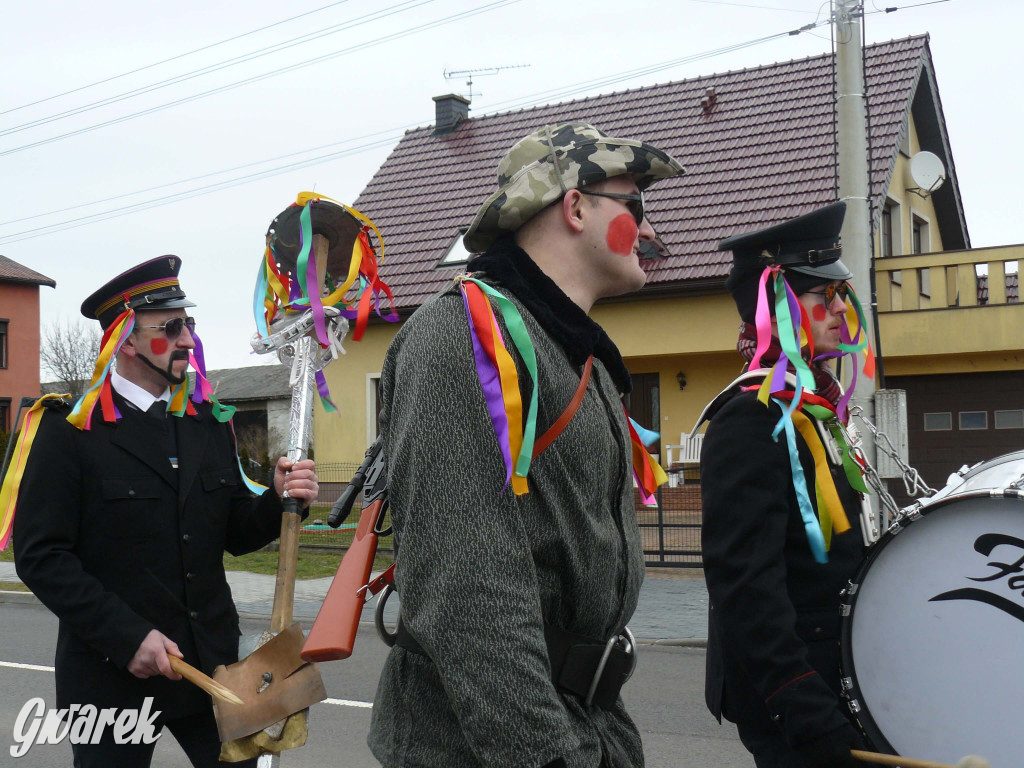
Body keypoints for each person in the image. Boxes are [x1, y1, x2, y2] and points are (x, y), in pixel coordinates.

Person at [367, 122, 684, 767]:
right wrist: (548, 757)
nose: (651, 234)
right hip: (492, 748)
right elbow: (468, 590)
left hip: (586, 720)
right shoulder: (466, 337)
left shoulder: (571, 352)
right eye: (636, 207)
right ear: (574, 207)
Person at [11, 256, 319, 768]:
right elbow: (42, 557)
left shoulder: (207, 422)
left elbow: (235, 532)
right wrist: (128, 638)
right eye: (171, 327)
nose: (188, 340)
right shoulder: (69, 433)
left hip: (212, 671)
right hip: (113, 677)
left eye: (190, 323)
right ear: (126, 340)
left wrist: (277, 498)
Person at [697, 202, 874, 768]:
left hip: (834, 675)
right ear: (780, 306)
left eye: (842, 296)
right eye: (826, 298)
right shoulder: (749, 417)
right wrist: (804, 710)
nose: (841, 311)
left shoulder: (814, 405)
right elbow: (744, 583)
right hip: (799, 695)